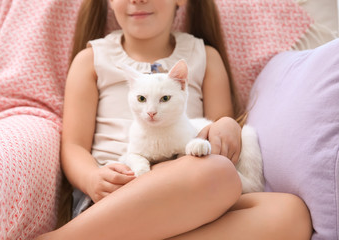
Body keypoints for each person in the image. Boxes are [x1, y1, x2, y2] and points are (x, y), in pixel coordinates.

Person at [37, 0, 312, 239]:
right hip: (114, 198)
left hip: (193, 200)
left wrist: (227, 126)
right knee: (214, 173)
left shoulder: (205, 56)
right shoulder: (91, 59)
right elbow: (73, 146)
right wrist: (92, 179)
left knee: (292, 214)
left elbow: (215, 133)